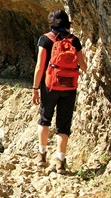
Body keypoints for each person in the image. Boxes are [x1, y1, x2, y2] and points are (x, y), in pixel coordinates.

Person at [31, 9, 87, 174]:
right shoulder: (74, 41)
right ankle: (61, 161)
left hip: (49, 86)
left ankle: (42, 156)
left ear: (51, 23)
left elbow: (40, 66)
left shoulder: (45, 39)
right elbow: (83, 66)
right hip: (69, 87)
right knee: (64, 124)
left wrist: (35, 88)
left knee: (45, 119)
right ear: (67, 23)